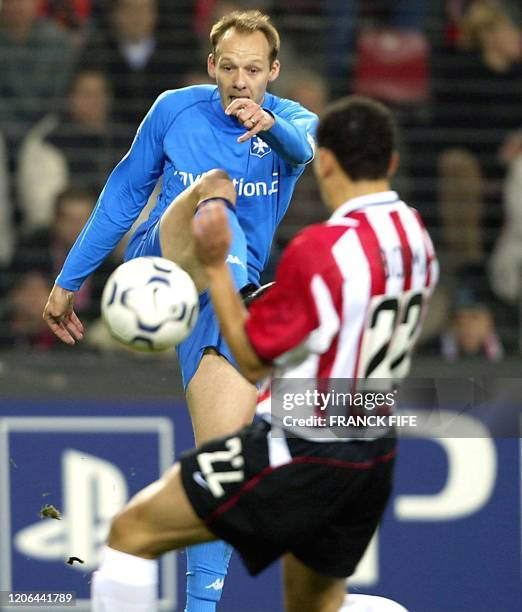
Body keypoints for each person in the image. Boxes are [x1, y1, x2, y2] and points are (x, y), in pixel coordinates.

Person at [89, 96, 438, 612]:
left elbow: (250, 360)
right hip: (371, 449)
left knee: (132, 531)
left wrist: (214, 270)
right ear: (391, 162)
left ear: (325, 163)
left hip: (300, 447)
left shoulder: (322, 250)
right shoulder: (414, 237)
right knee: (313, 605)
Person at [42, 10, 317, 611]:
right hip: (163, 265)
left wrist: (269, 126)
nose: (240, 81)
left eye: (253, 69)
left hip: (216, 307)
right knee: (213, 187)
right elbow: (123, 193)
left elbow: (303, 148)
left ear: (272, 71)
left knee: (218, 467)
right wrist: (69, 279)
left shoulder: (293, 122)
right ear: (211, 66)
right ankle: (244, 298)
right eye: (229, 67)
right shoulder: (174, 109)